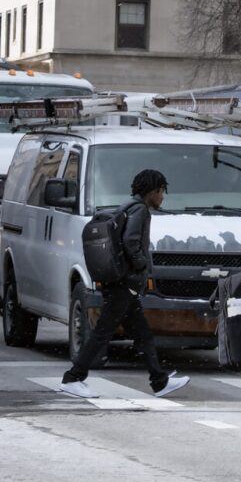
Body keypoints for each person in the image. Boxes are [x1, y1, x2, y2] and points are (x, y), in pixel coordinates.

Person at [61, 169, 191, 399]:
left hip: (120, 283)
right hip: (125, 284)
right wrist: (142, 266)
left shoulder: (128, 206)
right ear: (151, 192)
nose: (162, 197)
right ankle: (73, 377)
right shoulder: (140, 211)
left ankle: (159, 381)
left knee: (142, 334)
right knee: (103, 332)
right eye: (161, 192)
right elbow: (131, 242)